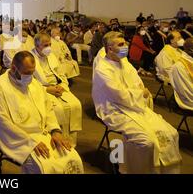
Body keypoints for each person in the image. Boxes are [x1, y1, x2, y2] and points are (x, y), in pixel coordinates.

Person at [92, 32, 181, 174]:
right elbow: (119, 95)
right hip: (115, 110)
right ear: (109, 49)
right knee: (147, 142)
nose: (125, 47)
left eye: (125, 43)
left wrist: (139, 93)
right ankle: (132, 169)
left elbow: (137, 84)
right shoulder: (103, 69)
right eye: (120, 44)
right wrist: (140, 94)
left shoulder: (125, 63)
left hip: (135, 106)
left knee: (171, 133)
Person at [0, 51, 84, 174]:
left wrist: (55, 131)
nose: (30, 77)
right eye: (27, 73)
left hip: (43, 134)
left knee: (72, 158)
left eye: (32, 72)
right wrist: (30, 143)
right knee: (45, 167)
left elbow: (48, 108)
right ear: (13, 68)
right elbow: (2, 123)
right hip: (18, 140)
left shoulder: (34, 83)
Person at [30, 34, 82, 146]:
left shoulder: (51, 55)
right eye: (45, 45)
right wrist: (47, 89)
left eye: (49, 44)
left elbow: (61, 73)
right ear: (36, 45)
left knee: (75, 105)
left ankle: (70, 142)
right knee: (57, 110)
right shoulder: (30, 58)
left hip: (58, 86)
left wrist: (63, 85)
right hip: (43, 89)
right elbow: (30, 82)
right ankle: (56, 140)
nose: (48, 48)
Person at [170, 38, 193, 111]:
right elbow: (187, 91)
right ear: (191, 50)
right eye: (178, 37)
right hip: (189, 100)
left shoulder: (189, 61)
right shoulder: (179, 67)